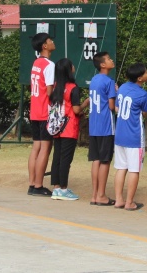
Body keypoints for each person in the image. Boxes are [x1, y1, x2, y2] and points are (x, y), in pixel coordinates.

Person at [50, 57, 89, 201]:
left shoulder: (56, 86)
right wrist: (85, 103)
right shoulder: (73, 87)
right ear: (69, 70)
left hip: (57, 126)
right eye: (71, 65)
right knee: (66, 159)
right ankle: (63, 189)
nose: (74, 66)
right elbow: (76, 109)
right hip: (69, 127)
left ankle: (56, 188)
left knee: (57, 157)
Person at [113, 62, 147, 211]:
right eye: (146, 72)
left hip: (120, 134)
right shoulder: (143, 94)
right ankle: (129, 202)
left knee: (121, 168)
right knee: (134, 169)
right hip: (134, 137)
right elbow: (145, 113)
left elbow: (117, 108)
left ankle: (119, 200)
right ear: (140, 78)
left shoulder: (122, 87)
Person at [28, 33, 55, 196]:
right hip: (45, 111)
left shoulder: (36, 63)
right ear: (44, 46)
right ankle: (38, 185)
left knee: (36, 148)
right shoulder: (49, 65)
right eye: (50, 40)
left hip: (35, 110)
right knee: (45, 148)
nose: (52, 42)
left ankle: (32, 183)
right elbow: (50, 91)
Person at [88, 51, 117, 206]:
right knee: (105, 161)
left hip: (94, 125)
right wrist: (117, 93)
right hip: (106, 126)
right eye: (109, 59)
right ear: (103, 65)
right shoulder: (109, 81)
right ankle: (101, 195)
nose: (112, 60)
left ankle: (94, 195)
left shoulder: (94, 80)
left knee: (96, 159)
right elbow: (111, 106)